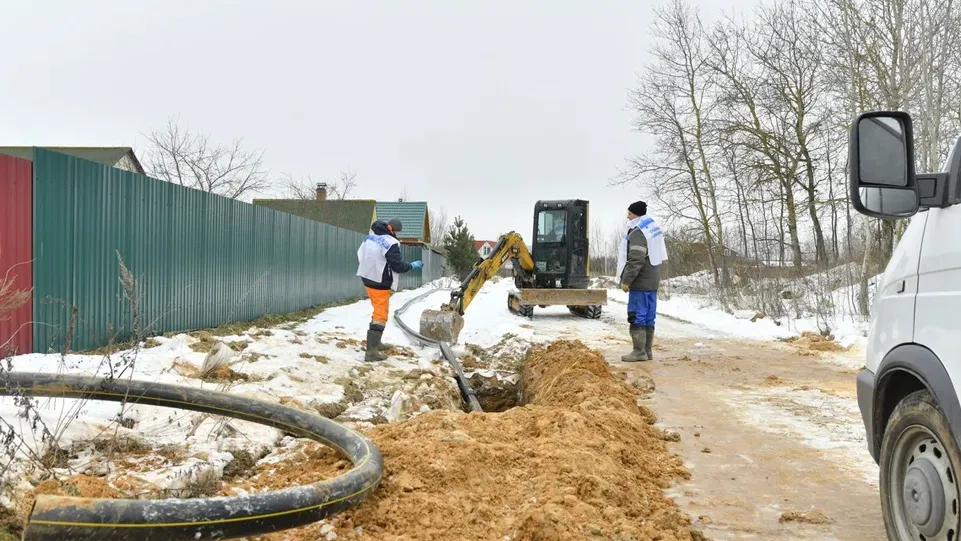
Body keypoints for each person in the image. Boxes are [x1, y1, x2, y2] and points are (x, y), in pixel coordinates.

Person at [356, 217, 423, 362]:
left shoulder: (369, 238)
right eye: (398, 232)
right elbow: (397, 266)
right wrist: (411, 265)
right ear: (394, 230)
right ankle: (371, 353)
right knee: (380, 315)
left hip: (367, 278)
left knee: (378, 311)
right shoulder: (391, 243)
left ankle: (376, 343)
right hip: (379, 283)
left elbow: (360, 255)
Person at [616, 200, 667, 362]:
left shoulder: (638, 232)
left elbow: (636, 259)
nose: (627, 216)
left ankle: (638, 351)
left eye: (629, 214)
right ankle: (647, 351)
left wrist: (626, 280)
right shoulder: (652, 229)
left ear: (636, 215)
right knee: (648, 317)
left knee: (637, 315)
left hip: (641, 281)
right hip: (652, 281)